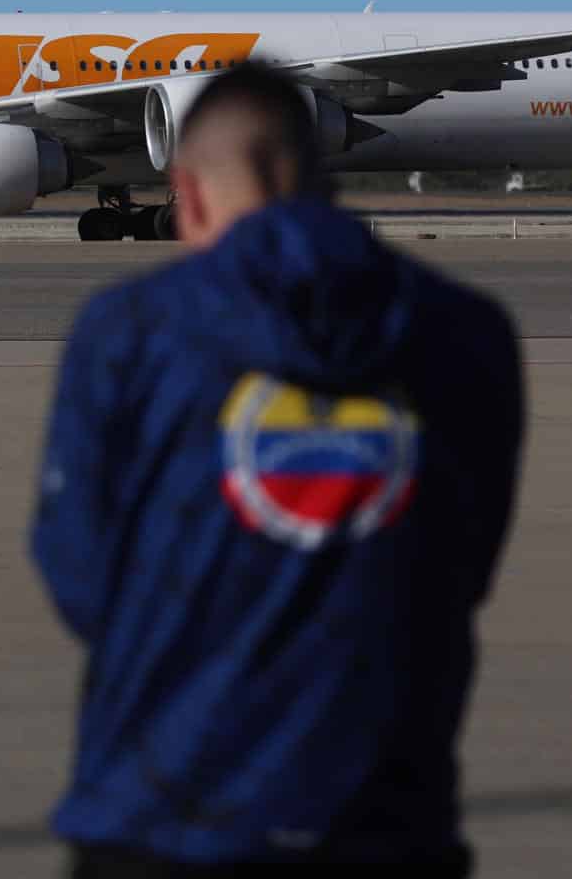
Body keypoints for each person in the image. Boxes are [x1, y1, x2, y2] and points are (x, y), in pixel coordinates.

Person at [31, 64, 523, 876]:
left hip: (167, 807)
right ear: (322, 171)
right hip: (384, 813)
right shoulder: (467, 332)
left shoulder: (130, 332)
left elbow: (81, 577)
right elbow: (462, 566)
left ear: (185, 196)